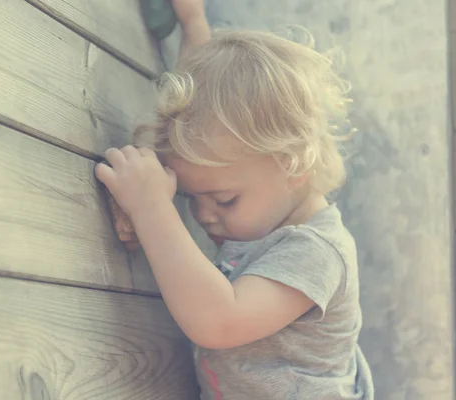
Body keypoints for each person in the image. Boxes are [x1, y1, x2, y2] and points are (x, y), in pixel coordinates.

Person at [95, 0, 374, 398]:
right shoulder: (262, 203)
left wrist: (152, 210)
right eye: (190, 196)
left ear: (294, 166)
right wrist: (194, 26)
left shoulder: (316, 253)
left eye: (224, 200)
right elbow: (202, 115)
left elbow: (219, 322)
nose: (203, 216)